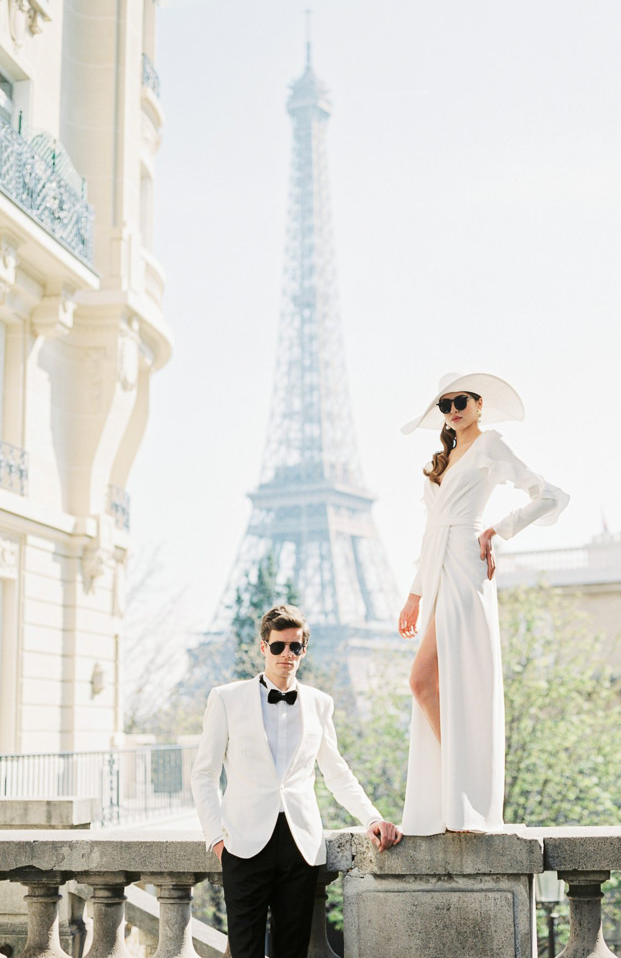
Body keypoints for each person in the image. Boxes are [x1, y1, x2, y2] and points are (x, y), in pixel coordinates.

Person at [398, 371, 569, 835]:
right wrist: (414, 595)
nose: (453, 409)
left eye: (460, 401)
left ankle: (469, 793)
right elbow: (430, 531)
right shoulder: (445, 458)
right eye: (444, 404)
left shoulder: (491, 445)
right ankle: (460, 789)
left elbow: (548, 495)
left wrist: (498, 529)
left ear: (478, 405)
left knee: (429, 678)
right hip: (436, 568)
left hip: (466, 566)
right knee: (426, 683)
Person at [191, 603, 402, 958]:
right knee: (244, 951)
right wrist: (216, 838)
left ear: (303, 651)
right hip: (243, 847)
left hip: (300, 847)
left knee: (293, 952)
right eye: (278, 646)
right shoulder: (226, 698)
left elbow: (336, 772)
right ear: (264, 647)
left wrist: (372, 818)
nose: (286, 654)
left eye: (295, 647)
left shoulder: (320, 703)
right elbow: (203, 773)